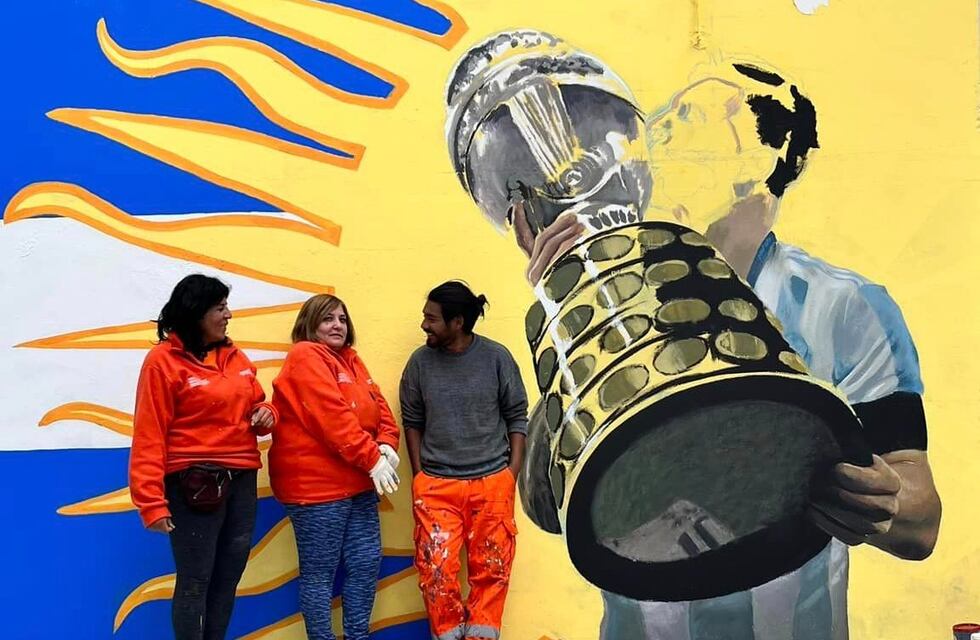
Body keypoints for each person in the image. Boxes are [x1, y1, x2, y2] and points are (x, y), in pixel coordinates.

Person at [588, 59, 942, 639]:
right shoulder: (612, 305)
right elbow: (550, 507)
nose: (656, 133)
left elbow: (921, 521)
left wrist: (881, 505)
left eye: (686, 120)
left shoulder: (845, 308)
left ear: (759, 161)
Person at [130, 274, 277, 640]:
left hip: (241, 479)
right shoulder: (161, 362)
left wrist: (266, 414)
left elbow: (257, 401)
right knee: (195, 581)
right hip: (193, 484)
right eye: (220, 307)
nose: (228, 314)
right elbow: (149, 434)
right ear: (196, 313)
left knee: (227, 580)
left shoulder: (235, 356)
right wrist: (151, 502)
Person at [400, 281, 529, 640]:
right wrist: (419, 476)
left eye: (432, 319)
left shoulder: (496, 358)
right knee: (436, 574)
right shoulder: (419, 363)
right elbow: (412, 420)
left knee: (493, 572)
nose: (424, 325)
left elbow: (518, 415)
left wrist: (510, 476)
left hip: (492, 485)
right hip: (437, 488)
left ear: (457, 322)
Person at [269, 294, 400, 640]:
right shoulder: (304, 356)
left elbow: (380, 407)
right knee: (320, 573)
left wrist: (387, 444)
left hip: (358, 481)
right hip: (316, 489)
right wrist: (373, 458)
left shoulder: (352, 360)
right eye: (328, 319)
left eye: (342, 319)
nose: (337, 325)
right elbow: (332, 418)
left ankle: (357, 635)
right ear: (309, 325)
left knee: (365, 562)